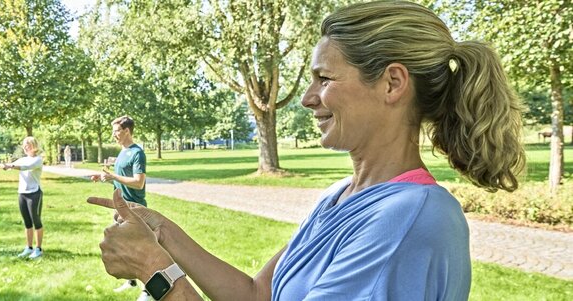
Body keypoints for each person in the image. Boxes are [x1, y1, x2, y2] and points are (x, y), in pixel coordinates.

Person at [86, 1, 527, 300]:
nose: (307, 97)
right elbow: (258, 294)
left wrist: (157, 271)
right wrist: (161, 230)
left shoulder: (408, 219)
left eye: (325, 79)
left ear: (392, 83)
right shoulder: (340, 197)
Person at [89, 115, 149, 299]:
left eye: (116, 131)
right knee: (123, 247)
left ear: (127, 131)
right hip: (120, 207)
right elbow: (122, 182)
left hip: (134, 208)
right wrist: (105, 179)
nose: (113, 135)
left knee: (140, 249)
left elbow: (138, 183)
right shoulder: (122, 152)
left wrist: (114, 176)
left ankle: (148, 291)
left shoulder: (137, 153)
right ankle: (131, 281)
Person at [0, 137, 45, 259]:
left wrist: (12, 165)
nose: (25, 147)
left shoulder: (38, 160)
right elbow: (13, 165)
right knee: (27, 222)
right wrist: (4, 166)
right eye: (24, 145)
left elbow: (25, 167)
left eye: (28, 145)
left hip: (34, 193)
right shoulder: (23, 159)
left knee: (36, 221)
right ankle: (29, 248)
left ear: (34, 146)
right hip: (22, 193)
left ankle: (38, 249)